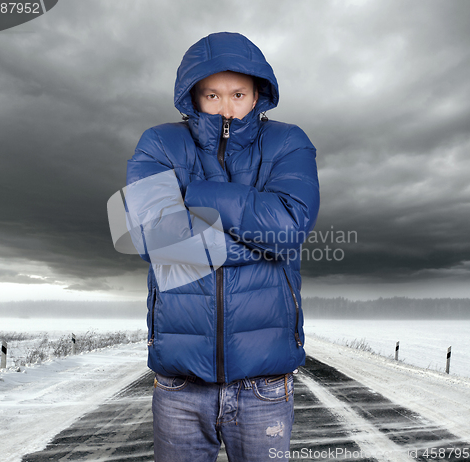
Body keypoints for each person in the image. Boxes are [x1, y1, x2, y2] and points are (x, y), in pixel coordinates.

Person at [126, 32, 320, 462]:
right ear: (193, 95)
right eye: (212, 94)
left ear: (258, 94)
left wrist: (196, 195)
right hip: (180, 383)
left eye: (238, 93)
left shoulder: (288, 142)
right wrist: (261, 245)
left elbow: (288, 228)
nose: (226, 107)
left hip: (265, 382)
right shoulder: (159, 143)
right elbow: (150, 238)